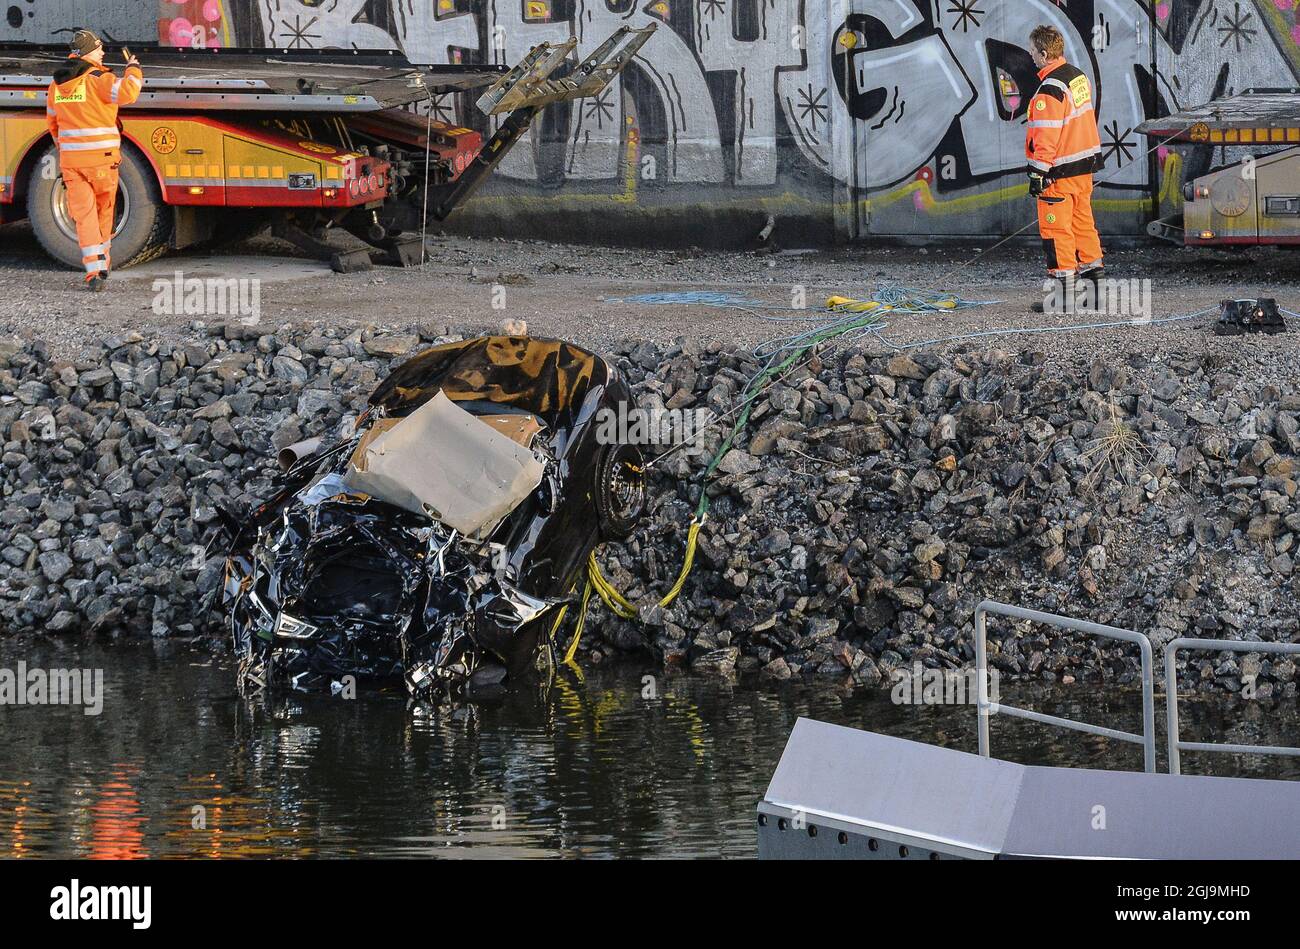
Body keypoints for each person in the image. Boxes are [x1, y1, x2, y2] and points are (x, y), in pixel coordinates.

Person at [45, 29, 142, 291]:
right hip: (101, 160)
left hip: (71, 161)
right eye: (98, 48)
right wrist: (133, 68)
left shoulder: (57, 85)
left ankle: (93, 271)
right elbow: (130, 92)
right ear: (88, 51)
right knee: (103, 211)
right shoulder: (100, 79)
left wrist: (66, 149)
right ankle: (103, 265)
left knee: (83, 216)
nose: (102, 52)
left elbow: (53, 123)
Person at [1025, 25, 1104, 311]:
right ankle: (1095, 293)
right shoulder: (1077, 77)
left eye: (1033, 51)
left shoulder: (1050, 89)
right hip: (1083, 168)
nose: (1031, 56)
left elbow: (1046, 137)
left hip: (1058, 173)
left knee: (1056, 231)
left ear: (1044, 53)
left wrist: (1037, 174)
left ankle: (1064, 299)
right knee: (1083, 226)